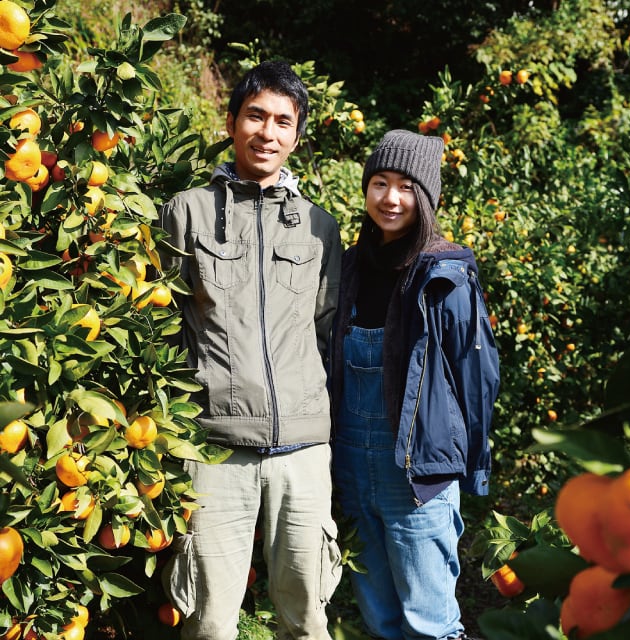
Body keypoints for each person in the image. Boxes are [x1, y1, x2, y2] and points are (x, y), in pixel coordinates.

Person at [159, 60, 343, 640]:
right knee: (210, 622)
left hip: (303, 451)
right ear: (232, 122)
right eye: (256, 116)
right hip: (215, 449)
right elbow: (161, 324)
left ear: (297, 135)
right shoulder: (187, 212)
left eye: (283, 121)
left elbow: (326, 330)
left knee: (307, 619)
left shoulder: (319, 227)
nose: (268, 132)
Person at [330, 129, 500, 640]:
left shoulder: (445, 275)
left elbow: (477, 378)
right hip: (350, 466)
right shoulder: (348, 266)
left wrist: (472, 465)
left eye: (406, 186)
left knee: (430, 623)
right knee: (379, 618)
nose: (391, 198)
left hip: (416, 473)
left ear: (427, 197)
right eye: (380, 183)